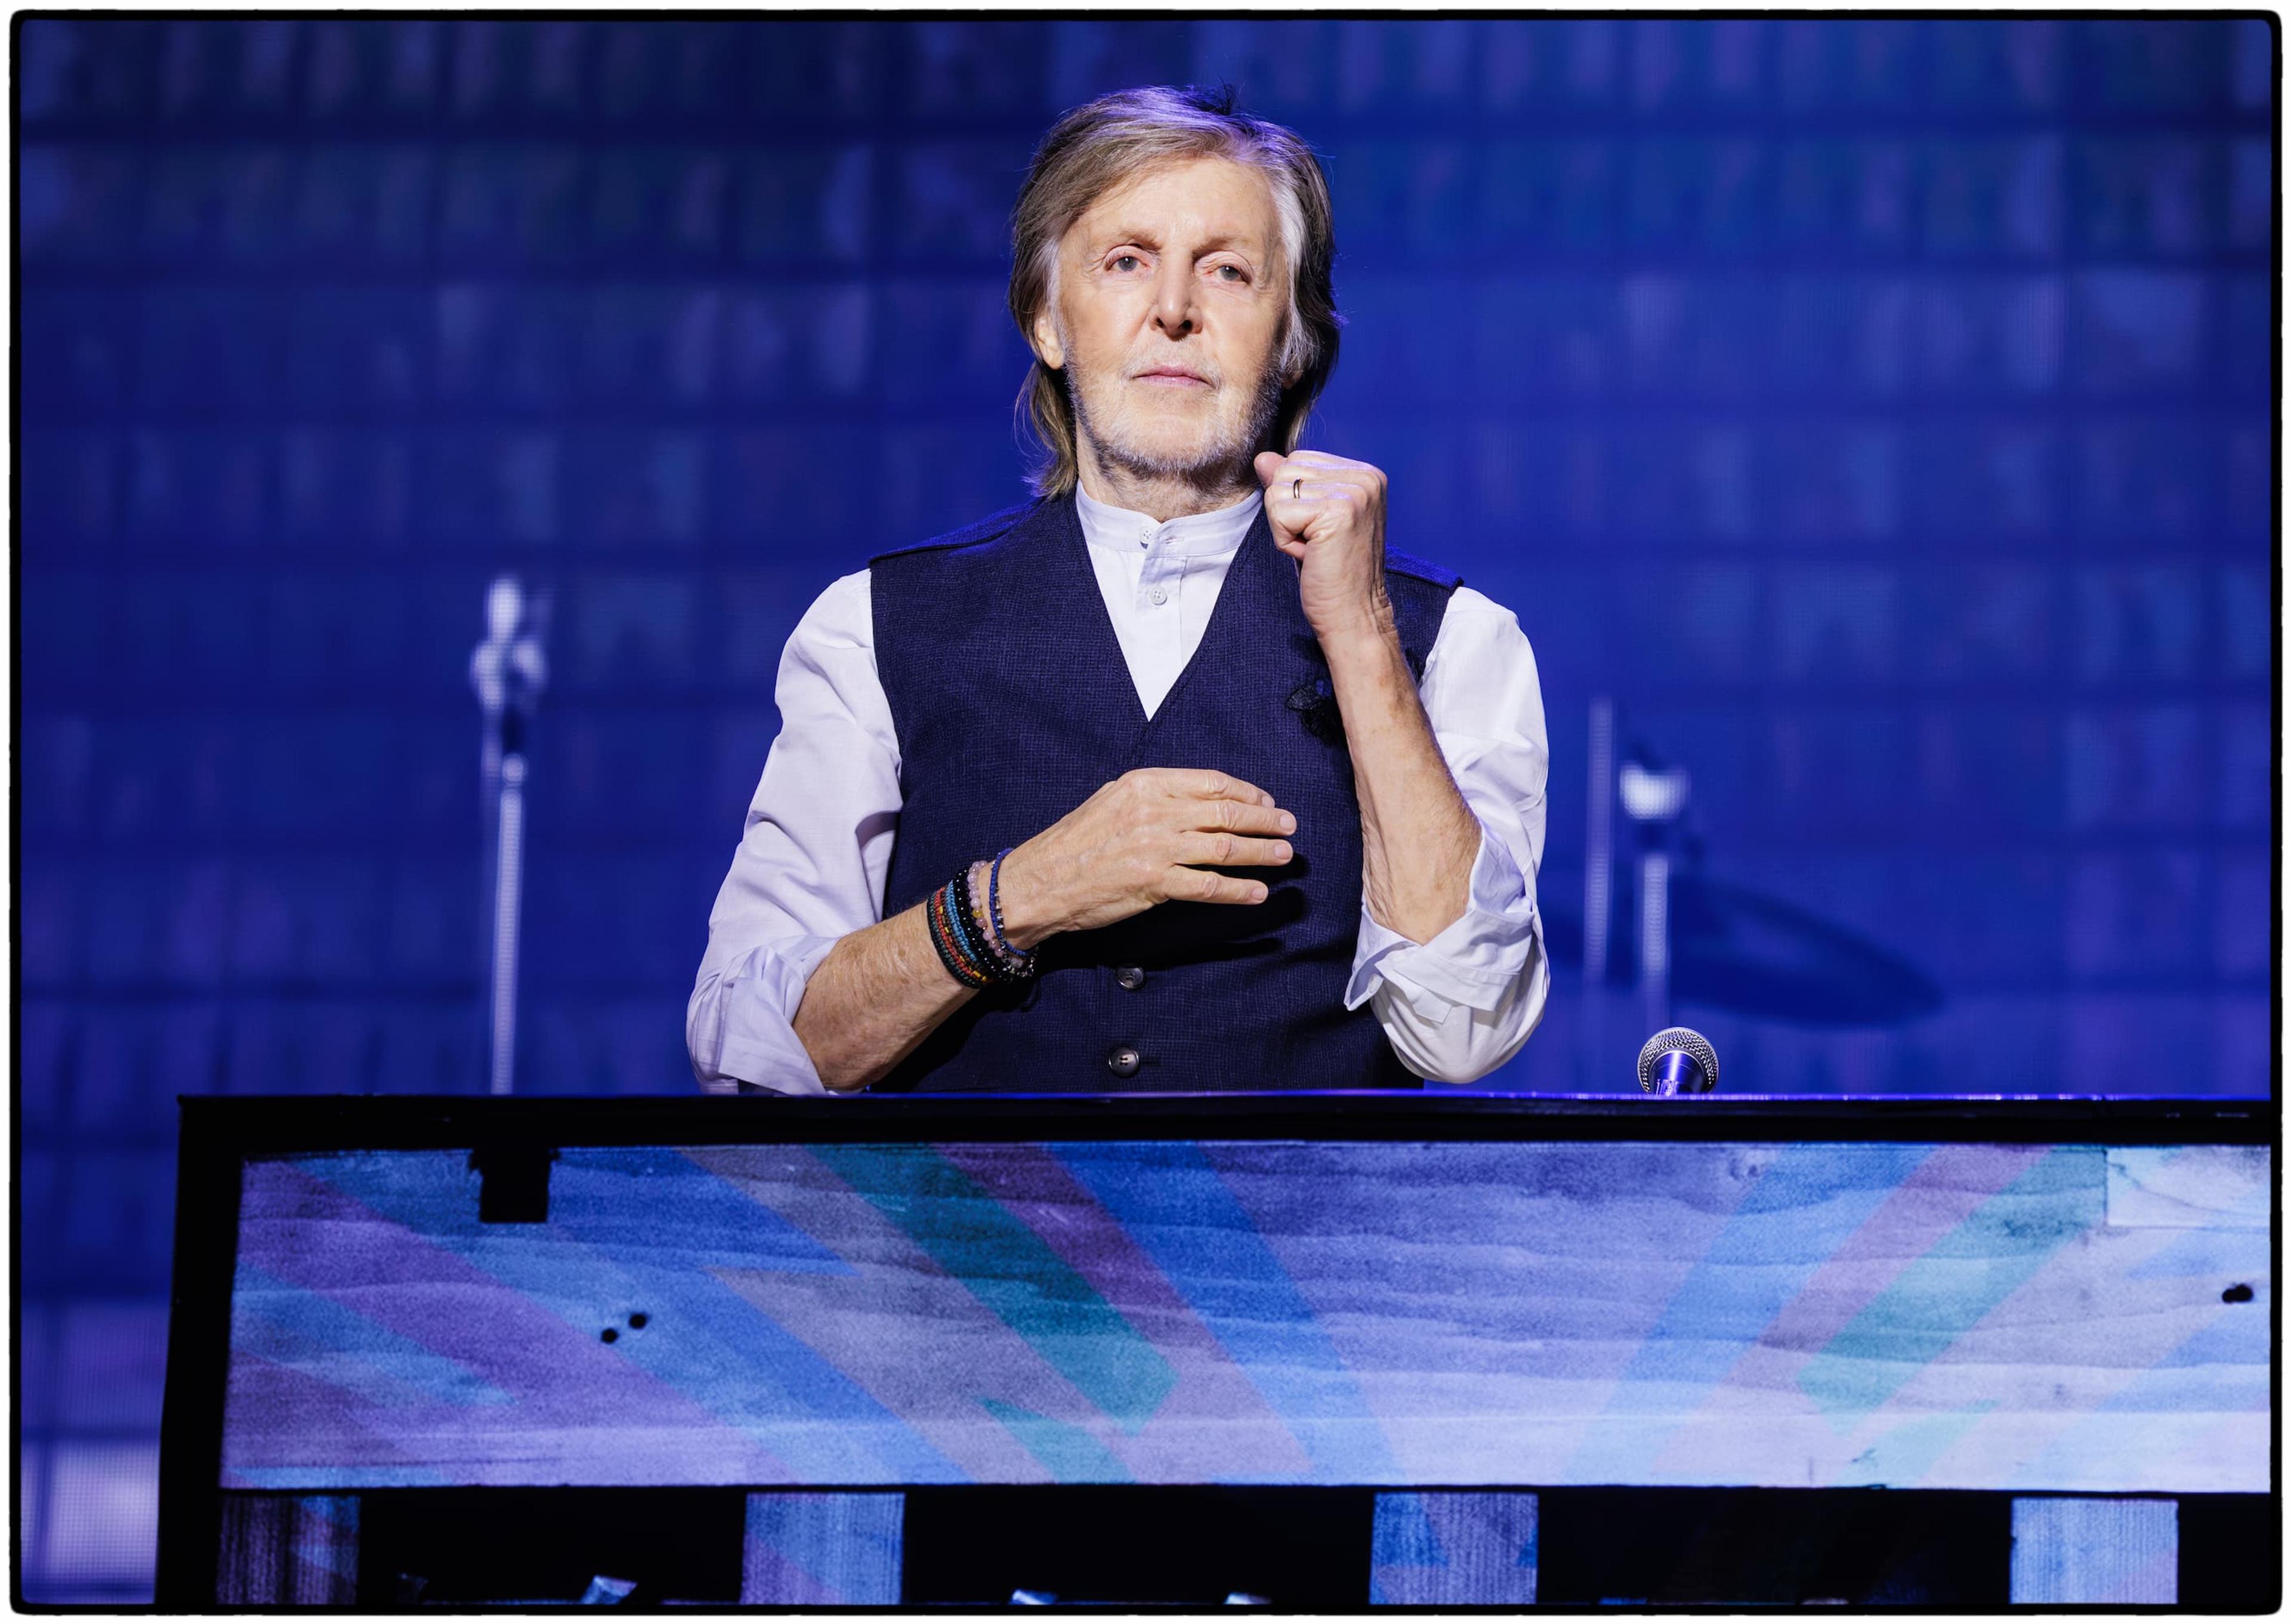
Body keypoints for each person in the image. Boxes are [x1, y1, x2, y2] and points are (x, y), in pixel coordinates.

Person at [689, 85, 1549, 1095]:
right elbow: (753, 1048)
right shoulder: (872, 630)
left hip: (1299, 1254)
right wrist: (1020, 897)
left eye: (1228, 271)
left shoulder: (1454, 641)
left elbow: (1465, 1034)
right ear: (1048, 320)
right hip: (965, 1250)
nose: (1174, 309)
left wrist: (1360, 635)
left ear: (1293, 339)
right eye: (1126, 261)